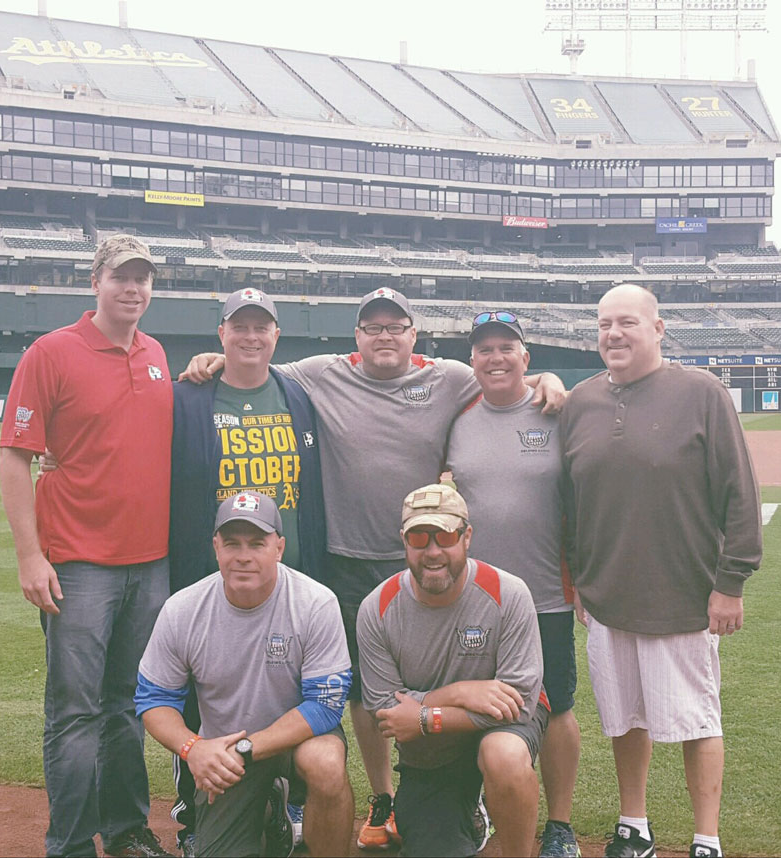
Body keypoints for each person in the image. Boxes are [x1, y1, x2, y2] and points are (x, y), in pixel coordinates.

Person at [181, 286, 566, 849]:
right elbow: (255, 360)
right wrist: (216, 359)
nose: (385, 337)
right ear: (356, 337)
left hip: (424, 550)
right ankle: (384, 795)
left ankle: (462, 781)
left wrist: (544, 382)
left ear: (415, 335)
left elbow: (501, 373)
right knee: (365, 690)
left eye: (396, 327)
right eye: (373, 328)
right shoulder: (319, 372)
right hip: (348, 557)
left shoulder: (450, 376)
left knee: (435, 671)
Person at [560, 284, 762, 858]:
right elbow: (569, 504)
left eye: (627, 322)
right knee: (626, 717)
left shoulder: (702, 393)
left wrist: (730, 585)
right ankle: (634, 823)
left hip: (684, 593)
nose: (614, 333)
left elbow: (739, 495)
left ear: (658, 328)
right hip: (606, 596)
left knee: (697, 718)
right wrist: (578, 580)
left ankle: (706, 837)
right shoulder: (580, 401)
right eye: (603, 324)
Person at [0, 235, 173, 857]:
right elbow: (15, 457)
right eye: (122, 276)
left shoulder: (157, 354)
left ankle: (126, 830)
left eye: (144, 278)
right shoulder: (53, 352)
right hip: (77, 563)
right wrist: (29, 554)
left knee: (128, 708)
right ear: (95, 280)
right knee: (74, 715)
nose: (133, 288)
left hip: (150, 564)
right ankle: (70, 844)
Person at [168, 287, 326, 856]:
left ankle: (290, 803)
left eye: (262, 327)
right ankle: (197, 806)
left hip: (291, 571)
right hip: (215, 571)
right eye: (240, 327)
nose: (251, 337)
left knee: (290, 690)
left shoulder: (297, 394)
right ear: (222, 334)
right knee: (207, 693)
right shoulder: (191, 398)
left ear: (276, 336)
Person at [135, 491, 354, 858]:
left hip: (290, 743)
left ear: (280, 548)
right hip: (223, 754)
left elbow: (325, 706)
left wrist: (247, 749)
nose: (243, 556)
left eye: (257, 543)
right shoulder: (183, 609)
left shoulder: (315, 603)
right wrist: (195, 749)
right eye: (232, 543)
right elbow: (154, 699)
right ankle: (271, 815)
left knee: (326, 763)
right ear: (216, 547)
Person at [444, 310, 581, 858]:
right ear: (471, 360)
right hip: (472, 598)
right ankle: (477, 803)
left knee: (559, 705)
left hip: (546, 592)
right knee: (475, 704)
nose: (495, 357)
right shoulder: (456, 414)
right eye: (484, 349)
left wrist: (553, 381)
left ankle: (561, 824)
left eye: (507, 347)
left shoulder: (556, 409)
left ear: (526, 356)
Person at [356, 483, 549, 858]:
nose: (432, 552)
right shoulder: (376, 607)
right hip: (430, 748)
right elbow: (385, 709)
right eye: (419, 537)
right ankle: (470, 809)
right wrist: (460, 693)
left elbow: (520, 704)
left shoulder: (508, 593)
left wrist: (428, 716)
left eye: (445, 536)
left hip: (492, 726)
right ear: (403, 541)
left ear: (467, 537)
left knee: (503, 754)